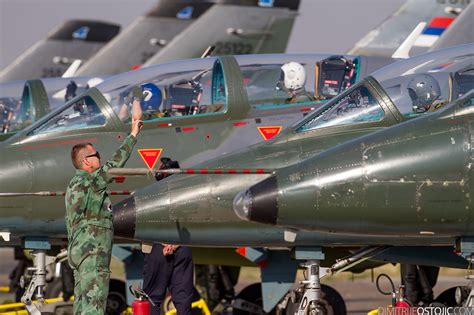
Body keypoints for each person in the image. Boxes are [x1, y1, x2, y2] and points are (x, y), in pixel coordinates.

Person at [65, 110, 142, 314]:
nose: (99, 157)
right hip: (93, 252)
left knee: (82, 306)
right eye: (96, 155)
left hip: (79, 251)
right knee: (94, 307)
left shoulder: (74, 183)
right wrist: (133, 135)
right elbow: (115, 164)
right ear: (87, 162)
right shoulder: (90, 181)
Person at [142, 157, 194, 315]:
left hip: (158, 250)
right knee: (183, 300)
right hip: (182, 248)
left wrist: (166, 245)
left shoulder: (150, 195)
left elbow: (144, 222)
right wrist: (175, 244)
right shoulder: (188, 196)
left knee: (152, 299)